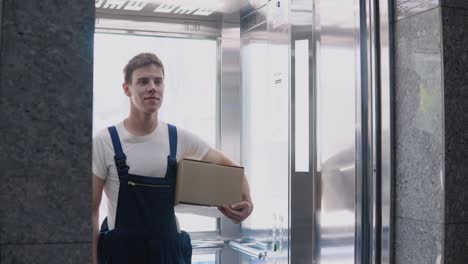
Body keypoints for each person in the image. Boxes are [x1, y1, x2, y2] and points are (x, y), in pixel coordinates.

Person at [92, 52, 254, 264]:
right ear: (127, 89)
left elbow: (233, 170)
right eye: (143, 81)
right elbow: (91, 211)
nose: (153, 87)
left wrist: (248, 201)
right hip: (122, 254)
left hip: (168, 254)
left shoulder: (178, 139)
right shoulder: (105, 141)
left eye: (158, 81)